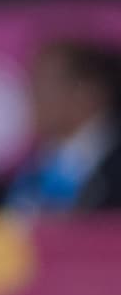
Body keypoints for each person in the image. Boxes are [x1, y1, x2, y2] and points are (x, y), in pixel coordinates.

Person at [7, 39, 121, 213]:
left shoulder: (113, 171)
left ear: (88, 93)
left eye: (43, 83)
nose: (32, 96)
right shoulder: (36, 168)